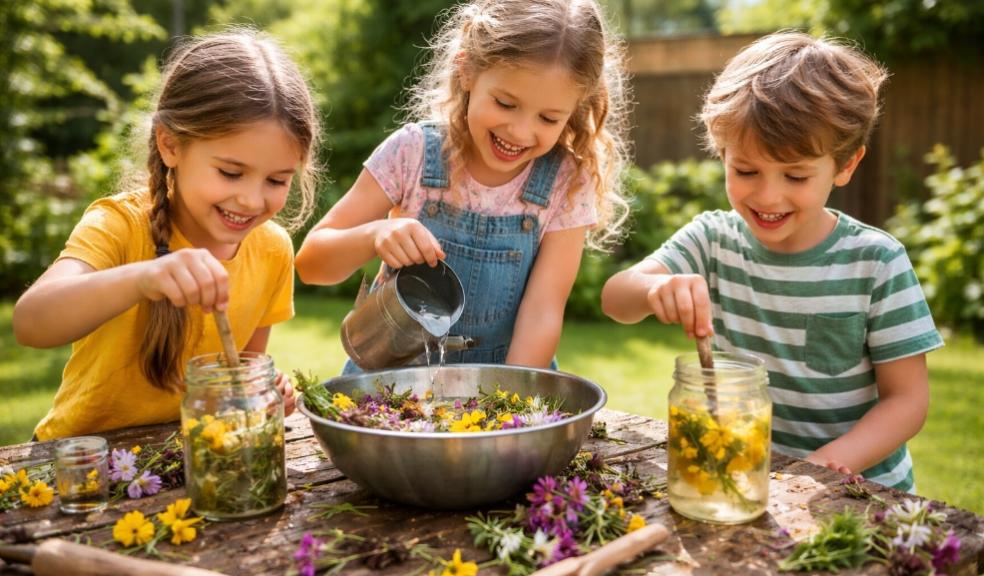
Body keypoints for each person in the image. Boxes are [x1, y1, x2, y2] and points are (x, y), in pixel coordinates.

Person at [601, 31, 943, 493]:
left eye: (796, 175)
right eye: (745, 171)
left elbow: (907, 402)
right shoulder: (713, 239)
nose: (767, 196)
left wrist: (824, 467)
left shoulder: (876, 262)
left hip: (860, 493)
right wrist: (652, 289)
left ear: (845, 165)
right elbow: (615, 300)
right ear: (722, 155)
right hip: (748, 479)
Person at [13, 30, 320, 440]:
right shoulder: (120, 224)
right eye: (231, 172)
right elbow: (31, 323)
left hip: (189, 463)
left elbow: (238, 379)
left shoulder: (271, 250)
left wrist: (262, 392)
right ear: (170, 145)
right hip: (79, 465)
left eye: (277, 180)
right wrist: (144, 278)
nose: (250, 200)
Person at [296, 0, 631, 371]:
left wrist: (506, 407)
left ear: (576, 107)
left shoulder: (565, 181)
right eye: (505, 103)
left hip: (503, 381)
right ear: (468, 70)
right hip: (387, 383)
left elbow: (542, 312)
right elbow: (312, 265)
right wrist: (375, 234)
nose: (520, 132)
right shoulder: (413, 154)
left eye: (549, 118)